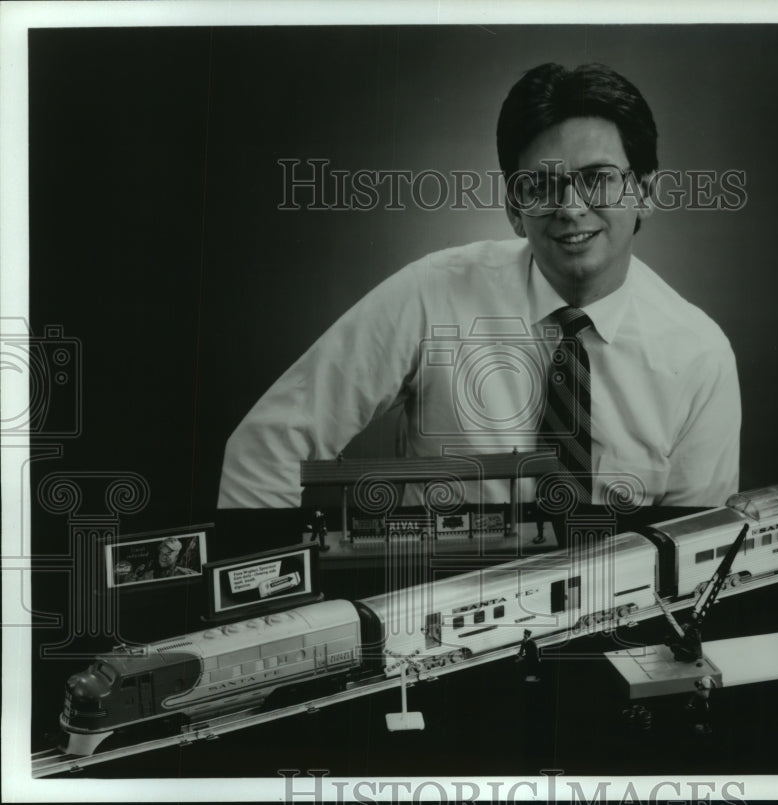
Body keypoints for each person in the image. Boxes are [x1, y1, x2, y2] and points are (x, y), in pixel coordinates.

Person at [218, 63, 741, 511]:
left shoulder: (699, 356)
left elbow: (693, 554)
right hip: (434, 611)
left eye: (598, 177)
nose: (570, 207)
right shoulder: (434, 294)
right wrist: (271, 603)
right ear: (515, 210)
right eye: (540, 184)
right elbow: (267, 446)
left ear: (645, 193)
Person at [126, 537, 198, 581]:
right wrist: (135, 576)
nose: (163, 557)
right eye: (162, 553)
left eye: (168, 554)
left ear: (176, 557)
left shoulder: (186, 574)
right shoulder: (146, 573)